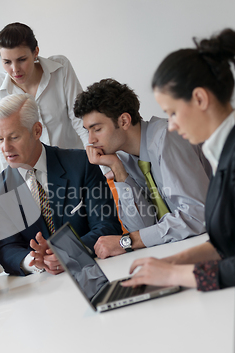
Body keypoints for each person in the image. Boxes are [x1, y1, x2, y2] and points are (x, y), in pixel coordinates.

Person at [123, 28, 235, 329]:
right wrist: (171, 263)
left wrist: (171, 276)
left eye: (173, 112)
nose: (171, 126)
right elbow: (224, 241)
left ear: (200, 98)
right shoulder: (229, 149)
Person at [0, 94, 122, 276]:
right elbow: (7, 249)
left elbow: (107, 226)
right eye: (0, 139)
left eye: (14, 137)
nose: (6, 148)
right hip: (43, 285)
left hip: (96, 271)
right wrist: (35, 261)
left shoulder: (81, 164)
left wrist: (69, 252)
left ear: (36, 131)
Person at [73, 79, 211, 258]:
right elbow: (143, 228)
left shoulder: (168, 137)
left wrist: (127, 242)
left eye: (97, 129)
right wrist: (118, 170)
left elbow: (197, 215)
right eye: (87, 131)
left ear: (124, 121)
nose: (90, 140)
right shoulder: (123, 158)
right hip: (184, 247)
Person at [0, 22, 88, 168]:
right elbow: (2, 141)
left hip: (77, 165)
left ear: (35, 52)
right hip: (38, 174)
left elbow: (81, 120)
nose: (15, 69)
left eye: (22, 60)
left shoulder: (60, 68)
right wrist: (11, 184)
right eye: (7, 62)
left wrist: (101, 166)